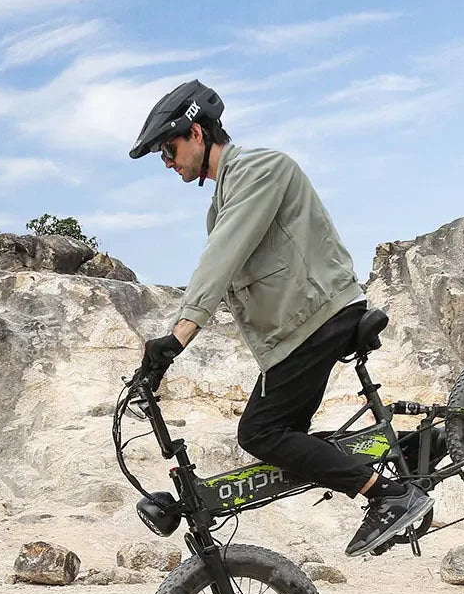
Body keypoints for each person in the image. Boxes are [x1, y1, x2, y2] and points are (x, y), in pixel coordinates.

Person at [129, 80, 433, 556]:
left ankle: (388, 494)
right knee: (285, 439)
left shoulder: (259, 170)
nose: (168, 163)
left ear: (196, 132)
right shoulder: (224, 198)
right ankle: (393, 461)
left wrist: (177, 337)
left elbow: (221, 259)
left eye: (169, 150)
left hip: (318, 319)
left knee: (260, 432)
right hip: (298, 333)